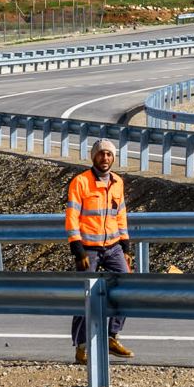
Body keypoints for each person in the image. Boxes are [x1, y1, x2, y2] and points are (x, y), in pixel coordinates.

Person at [66, 138, 134, 363]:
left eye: (109, 154)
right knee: (85, 296)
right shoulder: (80, 182)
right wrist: (77, 248)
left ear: (113, 158)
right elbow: (72, 217)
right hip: (89, 249)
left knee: (125, 288)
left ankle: (111, 336)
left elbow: (121, 215)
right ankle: (82, 346)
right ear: (93, 157)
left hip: (113, 247)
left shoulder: (117, 182)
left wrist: (125, 246)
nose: (105, 158)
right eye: (101, 154)